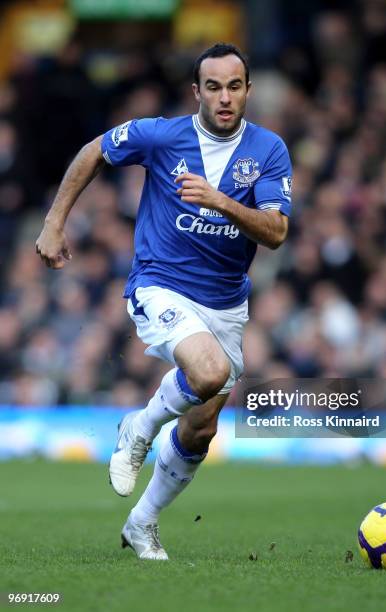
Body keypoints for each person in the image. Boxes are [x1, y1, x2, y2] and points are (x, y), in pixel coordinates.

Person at [35, 43, 292, 560]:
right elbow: (94, 151)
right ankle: (142, 425)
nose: (224, 97)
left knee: (201, 427)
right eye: (213, 87)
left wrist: (220, 200)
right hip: (161, 284)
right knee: (208, 372)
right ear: (196, 91)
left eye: (234, 87)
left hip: (226, 304)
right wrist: (53, 221)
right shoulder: (160, 135)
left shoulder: (268, 150)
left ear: (248, 91)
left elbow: (277, 232)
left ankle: (142, 523)